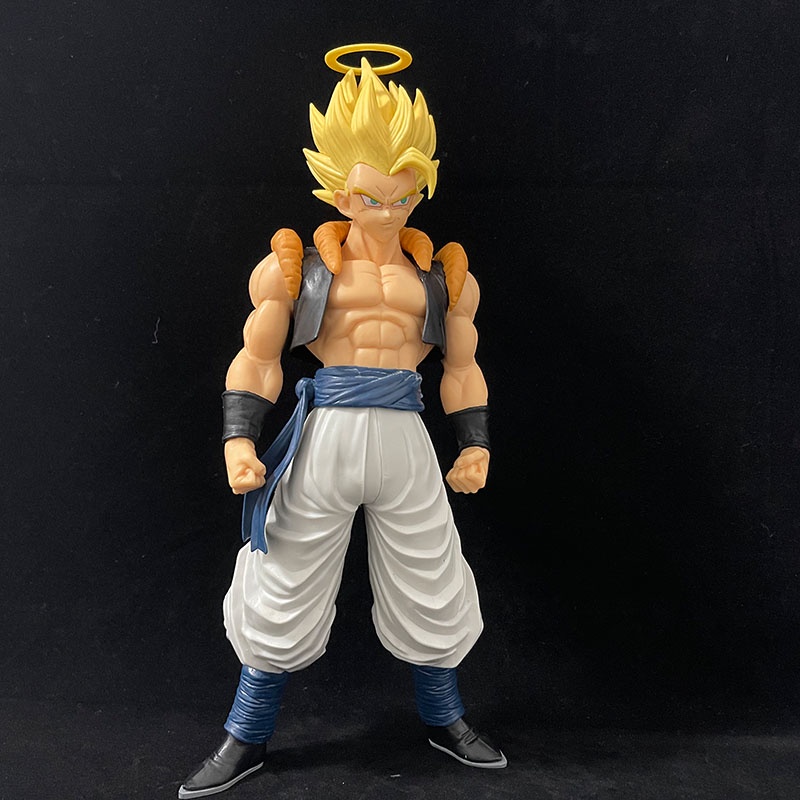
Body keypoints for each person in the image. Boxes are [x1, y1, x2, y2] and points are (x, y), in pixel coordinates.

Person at [178, 46, 505, 799]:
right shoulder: (295, 268)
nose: (387, 210)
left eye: (402, 194)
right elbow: (256, 357)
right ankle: (247, 731)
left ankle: (445, 716)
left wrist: (475, 444)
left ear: (421, 184)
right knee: (284, 576)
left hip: (405, 437)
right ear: (336, 190)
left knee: (431, 576)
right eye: (370, 196)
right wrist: (238, 439)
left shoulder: (445, 279)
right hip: (324, 434)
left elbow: (461, 368)